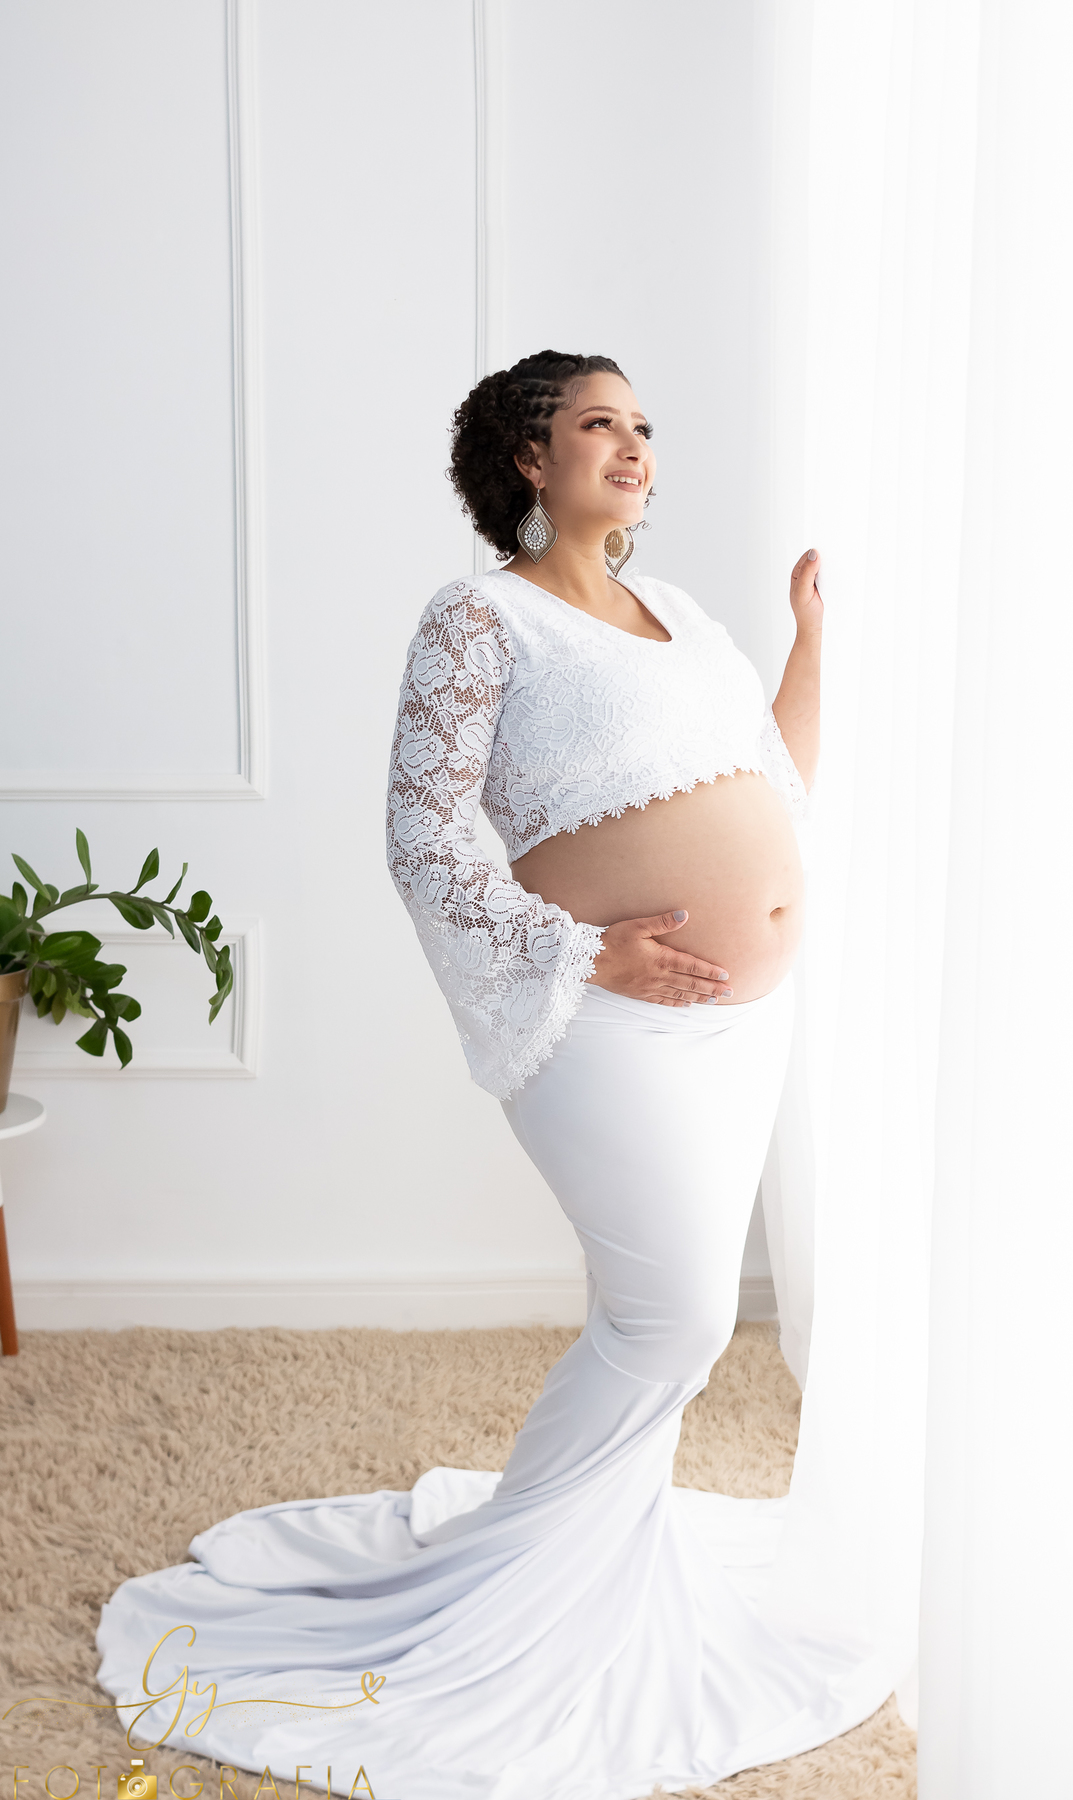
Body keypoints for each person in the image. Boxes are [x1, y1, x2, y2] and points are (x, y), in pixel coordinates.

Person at [94, 352, 889, 1800]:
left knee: (673, 1329)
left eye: (645, 425)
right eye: (601, 424)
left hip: (737, 1027)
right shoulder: (477, 619)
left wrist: (811, 640)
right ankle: (518, 1605)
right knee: (675, 1322)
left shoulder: (686, 619)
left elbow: (776, 789)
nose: (636, 445)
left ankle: (590, 1562)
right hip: (598, 1015)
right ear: (530, 455)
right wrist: (588, 952)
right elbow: (422, 840)